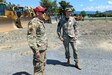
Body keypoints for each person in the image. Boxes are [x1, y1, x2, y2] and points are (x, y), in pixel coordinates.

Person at [27, 6, 48, 75]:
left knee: (42, 66)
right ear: (37, 13)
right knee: (38, 69)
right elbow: (31, 38)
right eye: (43, 12)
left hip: (43, 48)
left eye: (44, 12)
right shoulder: (33, 22)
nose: (44, 13)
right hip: (39, 50)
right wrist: (36, 51)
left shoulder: (41, 21)